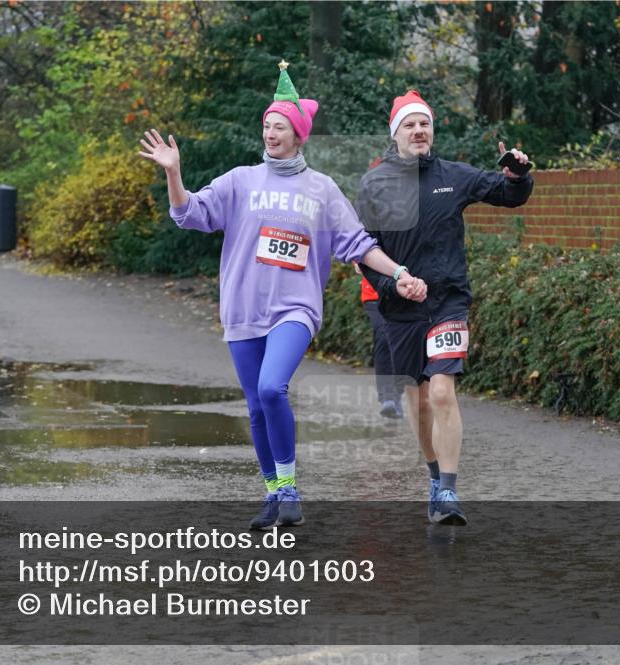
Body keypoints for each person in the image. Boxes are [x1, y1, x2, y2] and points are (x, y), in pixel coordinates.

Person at [137, 62, 427, 530]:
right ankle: (273, 493)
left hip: (295, 309)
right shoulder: (239, 181)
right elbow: (188, 214)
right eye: (266, 126)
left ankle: (289, 488)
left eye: (279, 127)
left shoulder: (322, 189)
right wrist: (174, 175)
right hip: (243, 309)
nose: (270, 133)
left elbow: (358, 244)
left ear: (298, 135)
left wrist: (400, 274)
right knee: (256, 405)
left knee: (273, 387)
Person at [358, 90, 533, 526]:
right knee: (419, 403)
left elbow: (508, 194)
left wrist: (518, 174)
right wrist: (392, 284)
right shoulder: (375, 184)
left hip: (448, 301)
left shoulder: (453, 175)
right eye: (410, 125)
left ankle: (450, 490)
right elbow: (363, 251)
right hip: (400, 309)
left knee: (441, 391)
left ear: (432, 131)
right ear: (395, 133)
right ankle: (435, 478)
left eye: (425, 124)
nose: (419, 131)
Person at [354, 266, 404, 418]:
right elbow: (358, 267)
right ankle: (387, 396)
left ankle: (397, 394)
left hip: (402, 294)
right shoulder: (367, 240)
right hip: (374, 294)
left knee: (400, 342)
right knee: (383, 336)